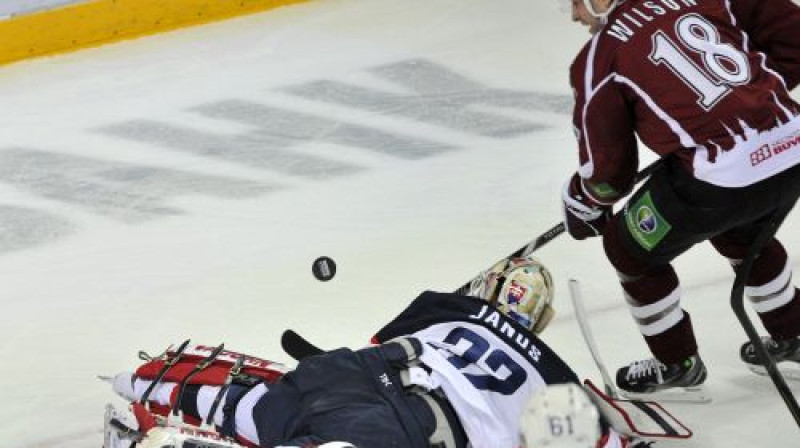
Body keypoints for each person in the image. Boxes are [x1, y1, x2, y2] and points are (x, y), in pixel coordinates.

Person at [103, 257, 653, 448]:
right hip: (410, 427)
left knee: (257, 410)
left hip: (344, 373)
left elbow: (379, 345)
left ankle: (140, 389)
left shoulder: (447, 308)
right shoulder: (557, 383)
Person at [560, 0, 800, 397]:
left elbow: (608, 173)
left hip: (722, 178)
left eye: (576, 3)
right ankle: (793, 331)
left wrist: (582, 202)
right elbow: (792, 33)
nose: (574, 16)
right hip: (791, 148)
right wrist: (754, 103)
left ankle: (677, 362)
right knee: (740, 231)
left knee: (628, 249)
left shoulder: (599, 58)